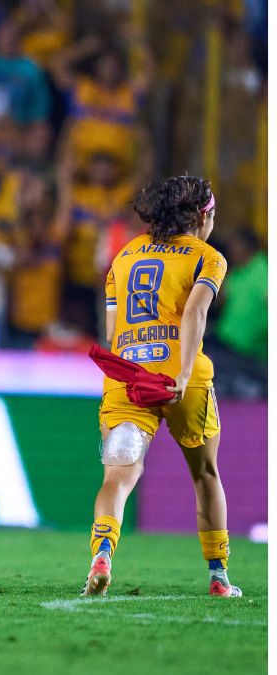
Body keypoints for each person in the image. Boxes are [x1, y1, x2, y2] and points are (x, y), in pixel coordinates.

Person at [82, 176, 241, 598]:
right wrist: (182, 375)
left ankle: (102, 554)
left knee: (118, 475)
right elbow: (195, 315)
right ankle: (219, 576)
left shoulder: (124, 256)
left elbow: (112, 331)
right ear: (202, 216)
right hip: (180, 376)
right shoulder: (208, 258)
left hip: (129, 376)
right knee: (205, 474)